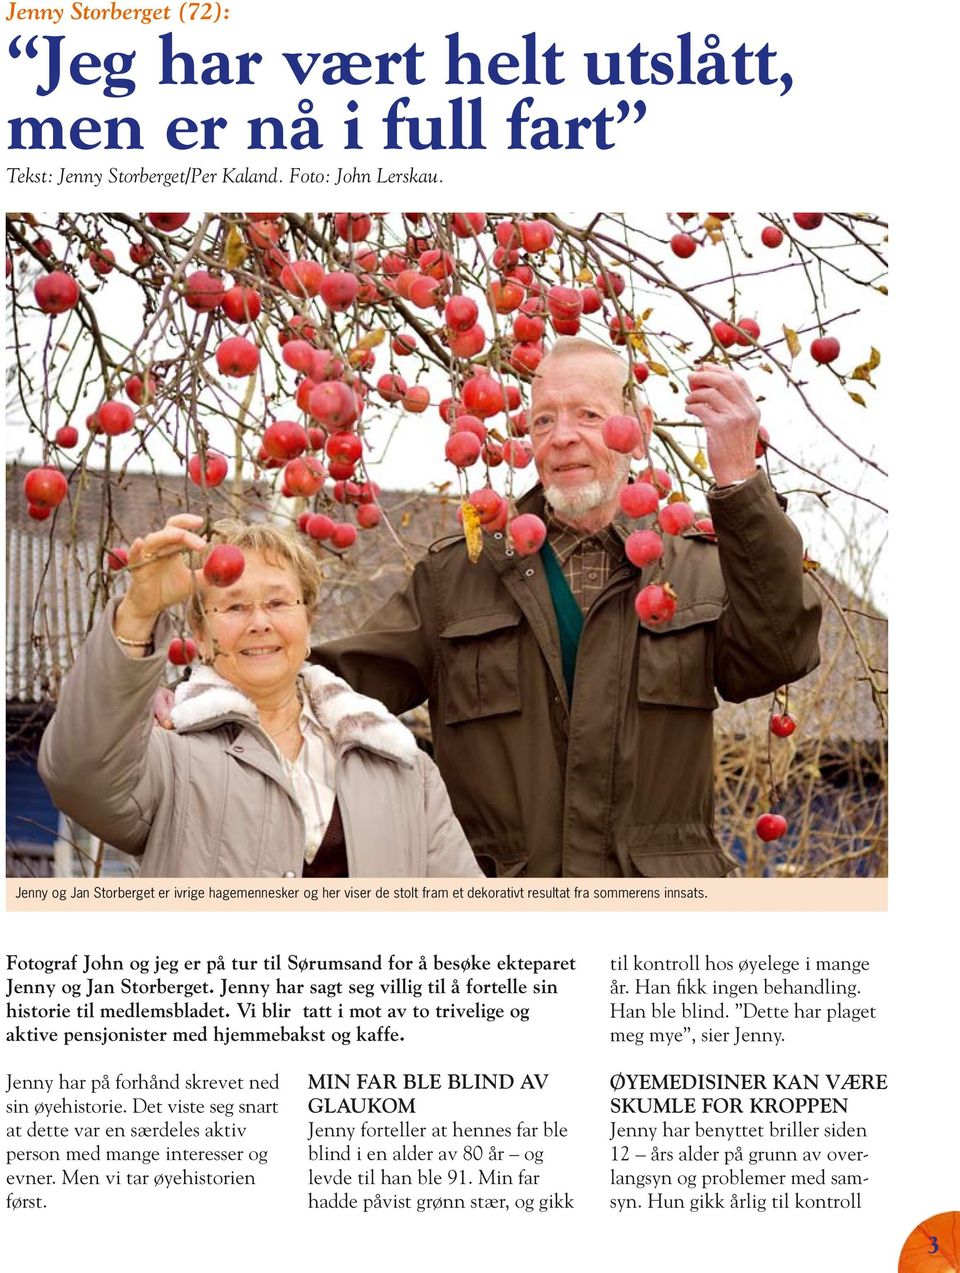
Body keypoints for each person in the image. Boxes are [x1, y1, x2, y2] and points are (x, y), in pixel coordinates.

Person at [316, 339, 822, 878]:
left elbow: (781, 653)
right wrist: (229, 635)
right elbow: (331, 691)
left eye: (588, 415)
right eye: (543, 421)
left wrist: (739, 484)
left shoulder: (695, 568)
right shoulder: (460, 575)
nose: (562, 437)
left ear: (641, 428)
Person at [39, 517, 481, 879]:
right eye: (233, 607)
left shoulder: (401, 764)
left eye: (278, 603)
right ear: (201, 636)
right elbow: (79, 776)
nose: (259, 622)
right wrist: (138, 613)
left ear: (307, 621)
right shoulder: (171, 754)